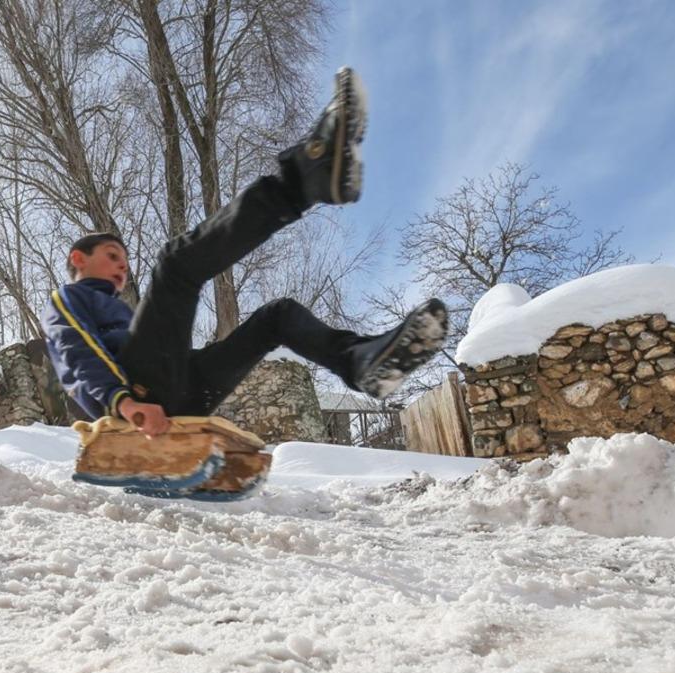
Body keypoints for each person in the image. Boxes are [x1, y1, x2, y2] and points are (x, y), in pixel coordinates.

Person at [41, 68, 447, 437]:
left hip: (184, 395)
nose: (122, 266)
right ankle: (304, 180)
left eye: (124, 260)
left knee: (277, 317)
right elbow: (78, 356)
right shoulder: (68, 299)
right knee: (173, 266)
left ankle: (360, 362)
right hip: (136, 395)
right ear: (79, 258)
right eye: (112, 255)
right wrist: (123, 403)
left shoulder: (123, 316)